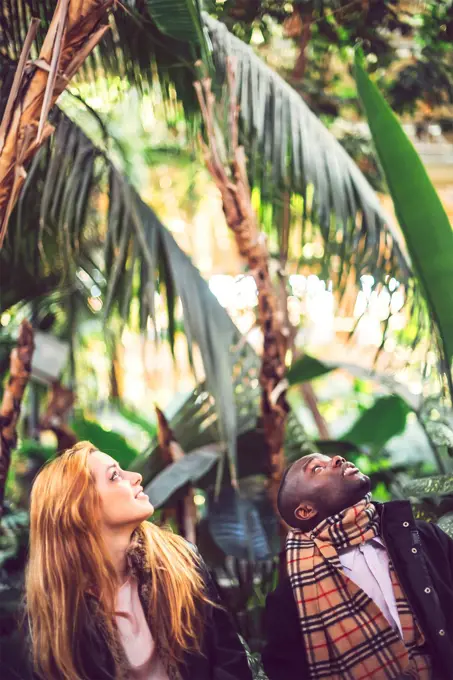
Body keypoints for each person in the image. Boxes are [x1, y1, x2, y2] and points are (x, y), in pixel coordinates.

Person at [24, 441, 253, 680]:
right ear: (81, 510)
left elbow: (230, 659)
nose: (135, 477)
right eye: (115, 476)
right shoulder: (61, 610)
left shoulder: (180, 562)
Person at [261, 453, 453, 680]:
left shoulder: (422, 538)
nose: (337, 459)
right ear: (305, 511)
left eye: (330, 457)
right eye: (317, 469)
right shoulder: (290, 600)